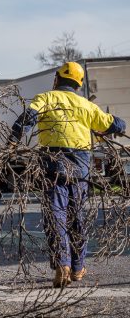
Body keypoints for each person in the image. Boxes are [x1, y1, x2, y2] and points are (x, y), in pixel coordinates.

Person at [8, 61, 126, 288]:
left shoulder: (46, 98)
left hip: (52, 166)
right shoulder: (86, 106)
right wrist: (120, 126)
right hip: (80, 169)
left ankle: (62, 265)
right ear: (78, 85)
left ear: (56, 79)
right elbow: (114, 124)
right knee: (76, 217)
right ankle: (78, 267)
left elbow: (26, 120)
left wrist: (11, 144)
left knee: (56, 217)